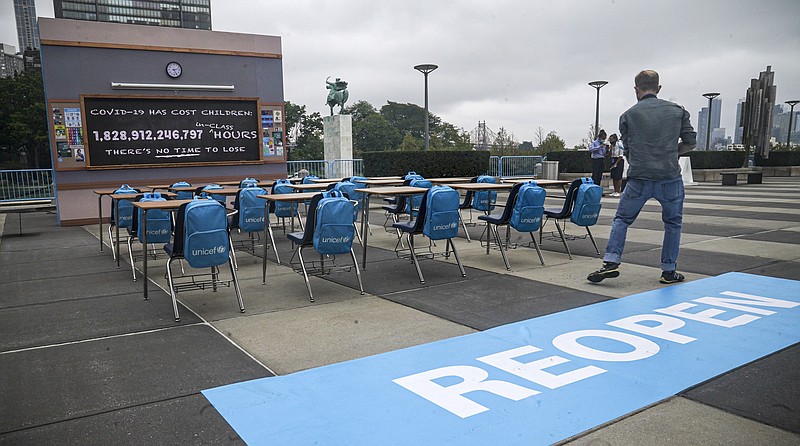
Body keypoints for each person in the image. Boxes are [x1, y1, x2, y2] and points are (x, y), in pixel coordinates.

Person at [588, 69, 696, 284]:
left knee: (622, 219)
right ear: (659, 88)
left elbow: (628, 148)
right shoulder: (678, 111)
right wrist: (671, 151)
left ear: (636, 89)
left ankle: (611, 261)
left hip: (639, 178)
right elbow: (691, 142)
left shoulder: (628, 115)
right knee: (673, 223)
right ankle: (668, 270)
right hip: (669, 177)